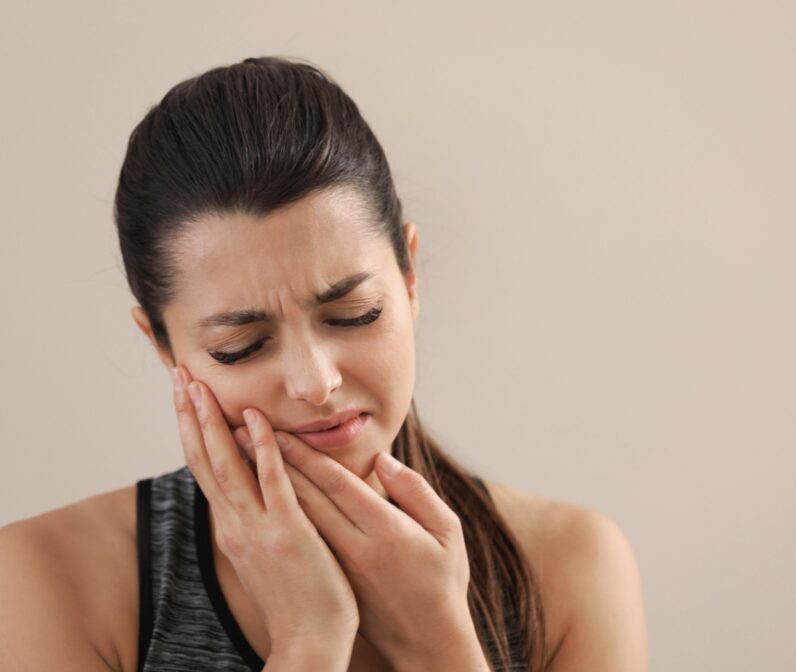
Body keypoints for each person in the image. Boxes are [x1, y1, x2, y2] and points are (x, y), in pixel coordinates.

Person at [0, 56, 647, 671]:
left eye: (354, 314)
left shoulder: (567, 567)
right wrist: (309, 639)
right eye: (242, 346)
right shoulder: (52, 579)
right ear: (164, 345)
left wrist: (437, 644)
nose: (316, 383)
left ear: (410, 275)